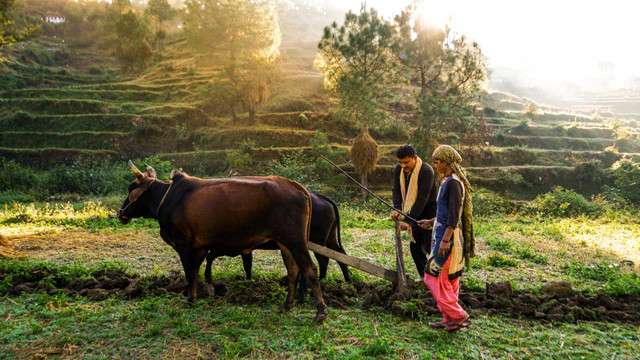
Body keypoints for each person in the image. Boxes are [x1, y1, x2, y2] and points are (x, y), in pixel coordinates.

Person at [417, 144, 475, 333]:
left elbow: (453, 215)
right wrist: (431, 221)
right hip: (444, 234)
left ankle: (458, 315)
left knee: (432, 276)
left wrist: (445, 239)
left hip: (447, 239)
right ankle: (449, 319)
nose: (436, 166)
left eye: (437, 162)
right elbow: (446, 212)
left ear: (446, 162)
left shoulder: (453, 183)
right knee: (449, 279)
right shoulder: (449, 181)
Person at [391, 144, 437, 280]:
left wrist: (407, 220)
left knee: (431, 247)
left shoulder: (426, 171)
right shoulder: (399, 170)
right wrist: (397, 208)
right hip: (412, 212)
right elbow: (396, 189)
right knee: (415, 248)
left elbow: (423, 198)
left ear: (415, 158)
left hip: (429, 213)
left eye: (406, 162)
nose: (403, 166)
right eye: (400, 162)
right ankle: (425, 277)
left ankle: (441, 278)